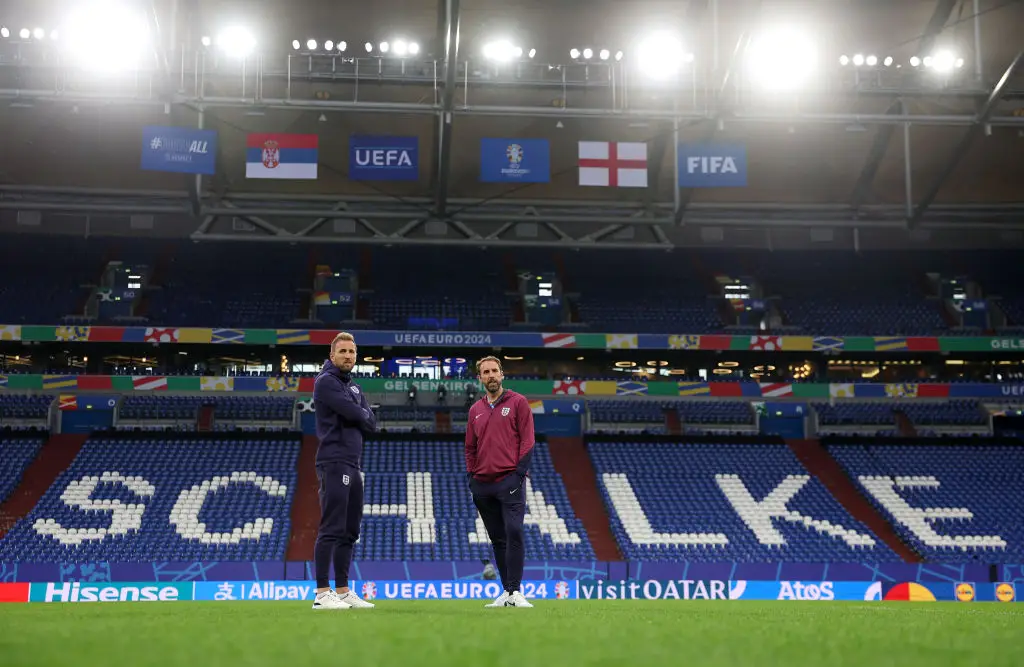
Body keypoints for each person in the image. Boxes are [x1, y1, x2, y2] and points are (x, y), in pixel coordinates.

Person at [311, 332, 377, 610]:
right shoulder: (326, 381)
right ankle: (321, 593)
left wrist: (360, 412)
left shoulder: (355, 387)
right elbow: (356, 414)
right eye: (343, 351)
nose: (348, 356)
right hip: (334, 460)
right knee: (332, 526)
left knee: (350, 530)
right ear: (332, 355)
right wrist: (360, 412)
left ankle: (342, 590)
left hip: (353, 462)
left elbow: (371, 423)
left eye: (352, 352)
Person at [464, 356, 536, 608]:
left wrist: (519, 474)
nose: (491, 375)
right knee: (497, 538)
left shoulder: (518, 402)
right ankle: (507, 592)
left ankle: (516, 591)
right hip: (483, 484)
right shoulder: (475, 410)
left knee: (514, 531)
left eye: (495, 370)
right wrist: (472, 477)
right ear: (480, 378)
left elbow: (528, 440)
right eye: (486, 372)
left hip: (510, 480)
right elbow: (470, 447)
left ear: (502, 374)